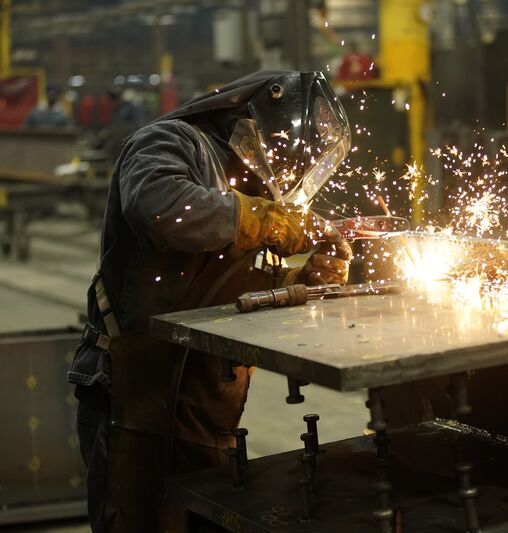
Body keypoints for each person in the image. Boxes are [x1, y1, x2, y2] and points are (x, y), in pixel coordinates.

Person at [68, 70, 352, 532]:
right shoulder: (171, 141)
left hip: (205, 403)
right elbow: (160, 207)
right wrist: (268, 223)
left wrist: (307, 278)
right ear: (260, 123)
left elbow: (238, 291)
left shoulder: (257, 194)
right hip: (133, 394)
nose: (281, 179)